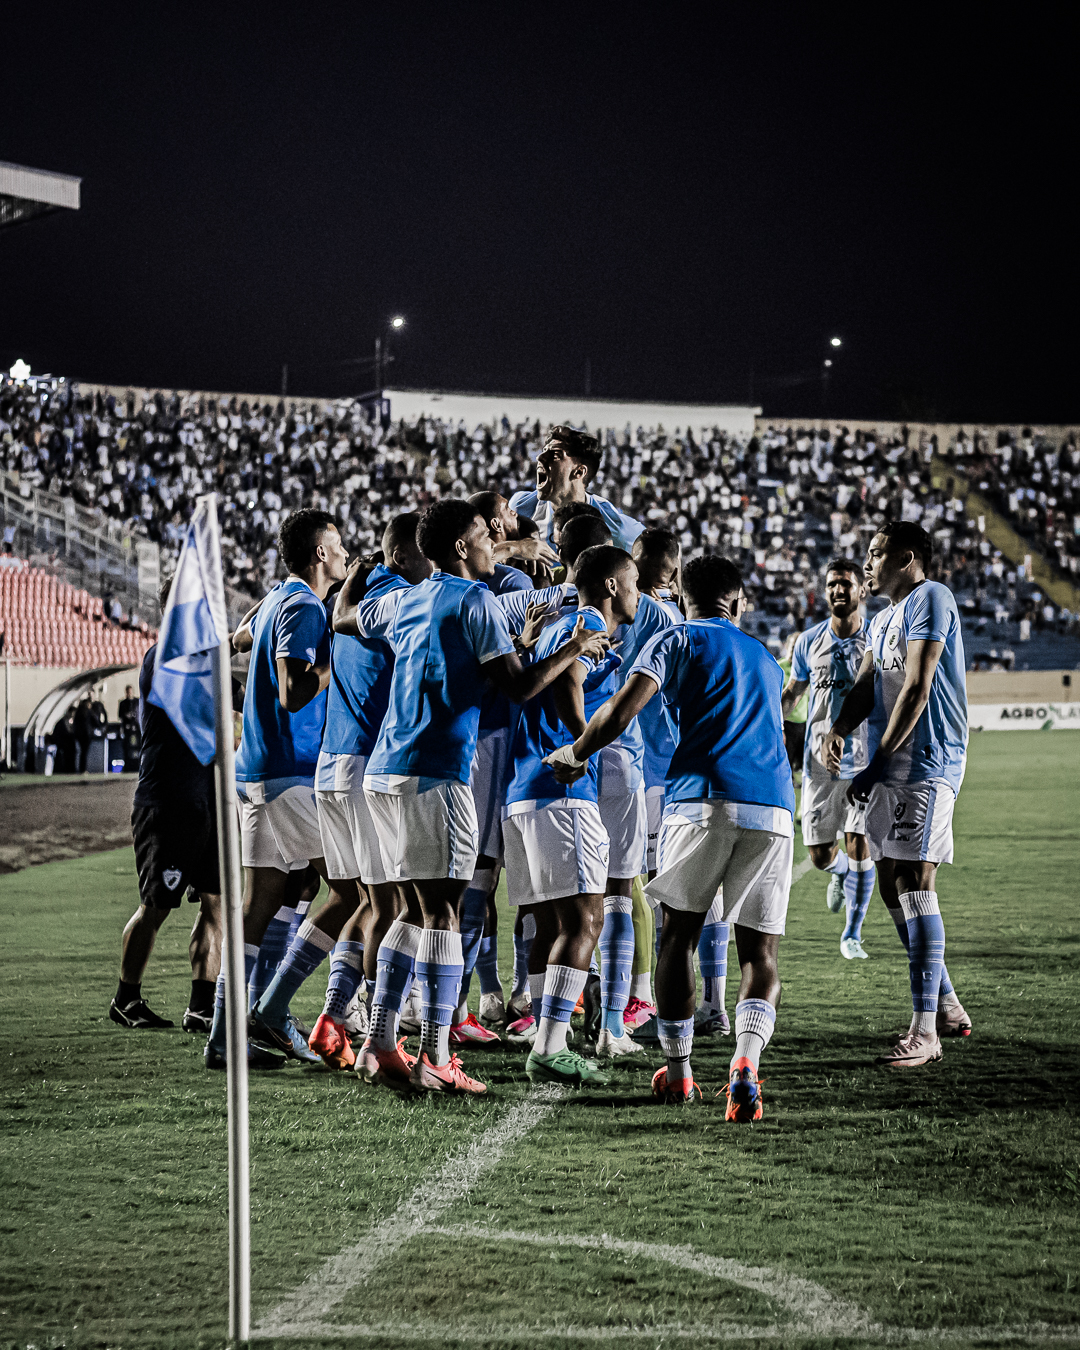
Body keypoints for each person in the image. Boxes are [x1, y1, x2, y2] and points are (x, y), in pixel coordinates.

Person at [355, 499, 611, 1095]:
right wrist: (575, 646)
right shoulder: (475, 600)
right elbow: (520, 686)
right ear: (464, 548)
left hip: (385, 770)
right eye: (483, 536)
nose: (493, 543)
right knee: (442, 911)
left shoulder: (406, 596)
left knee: (414, 912)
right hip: (437, 770)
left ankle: (377, 1043)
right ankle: (436, 1055)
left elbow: (353, 614)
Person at [546, 555, 794, 1121]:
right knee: (760, 951)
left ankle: (680, 1073)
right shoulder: (765, 657)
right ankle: (746, 1063)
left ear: (683, 596)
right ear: (737, 602)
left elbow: (620, 711)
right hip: (775, 806)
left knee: (678, 936)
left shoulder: (674, 639)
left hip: (700, 797)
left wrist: (575, 752)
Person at [205, 508, 352, 1068]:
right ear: (319, 554)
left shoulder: (275, 599)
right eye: (336, 545)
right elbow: (293, 693)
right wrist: (333, 661)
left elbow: (237, 640)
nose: (342, 553)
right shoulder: (304, 607)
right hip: (289, 774)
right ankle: (271, 1007)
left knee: (257, 909)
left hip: (255, 772)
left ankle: (224, 1037)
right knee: (353, 891)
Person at [823, 521, 972, 1068]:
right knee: (890, 885)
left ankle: (924, 1033)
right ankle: (948, 1005)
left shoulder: (931, 597)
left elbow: (918, 684)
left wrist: (879, 762)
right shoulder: (883, 618)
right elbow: (867, 683)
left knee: (914, 880)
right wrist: (838, 728)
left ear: (907, 557)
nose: (867, 563)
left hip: (927, 761)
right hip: (892, 765)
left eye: (876, 553)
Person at [502, 543, 640, 1082]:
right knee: (587, 916)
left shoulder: (564, 623)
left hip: (524, 789)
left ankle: (545, 1031)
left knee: (553, 921)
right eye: (630, 582)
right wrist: (582, 742)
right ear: (611, 586)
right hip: (559, 787)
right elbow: (570, 680)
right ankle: (552, 1045)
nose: (635, 592)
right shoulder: (585, 622)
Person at [305, 513, 433, 1070]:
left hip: (333, 761)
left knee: (363, 899)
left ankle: (334, 1016)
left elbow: (342, 620)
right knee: (393, 904)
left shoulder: (356, 594)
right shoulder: (403, 600)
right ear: (405, 556)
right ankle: (375, 1033)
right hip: (365, 764)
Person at [109, 577, 229, 1044]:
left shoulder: (202, 661)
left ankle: (201, 1006)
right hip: (168, 802)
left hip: (204, 800)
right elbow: (217, 717)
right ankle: (126, 998)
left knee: (217, 902)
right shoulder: (163, 658)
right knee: (157, 906)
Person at [781, 558, 876, 959]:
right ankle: (837, 875)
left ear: (861, 590)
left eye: (846, 584)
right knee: (820, 855)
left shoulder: (876, 638)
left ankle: (852, 933)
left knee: (859, 843)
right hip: (819, 764)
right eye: (832, 583)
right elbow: (794, 693)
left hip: (865, 760)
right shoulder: (808, 642)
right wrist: (774, 717)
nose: (838, 590)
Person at [510, 424, 644, 553]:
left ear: (579, 472)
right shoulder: (519, 507)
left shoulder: (616, 528)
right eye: (544, 451)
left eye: (555, 455)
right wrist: (513, 548)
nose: (540, 457)